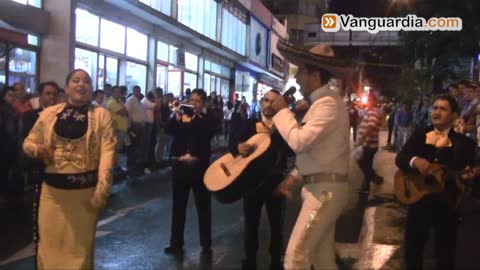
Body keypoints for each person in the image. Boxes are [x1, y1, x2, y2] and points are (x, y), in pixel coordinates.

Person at [23, 69, 117, 269]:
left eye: (86, 81)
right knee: (49, 249)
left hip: (84, 197)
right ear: (66, 88)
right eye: (75, 80)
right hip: (52, 195)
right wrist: (38, 150)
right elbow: (28, 142)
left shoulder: (101, 116)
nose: (81, 84)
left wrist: (103, 187)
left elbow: (108, 153)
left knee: (79, 253)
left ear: (91, 89)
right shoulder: (49, 114)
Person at [271, 40, 351, 270]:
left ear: (315, 74)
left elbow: (299, 141)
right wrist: (297, 175)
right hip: (322, 190)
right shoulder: (323, 103)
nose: (296, 79)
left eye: (301, 72)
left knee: (295, 258)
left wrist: (282, 112)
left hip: (324, 193)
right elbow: (319, 151)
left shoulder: (326, 104)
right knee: (322, 259)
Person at [395, 95, 476, 270]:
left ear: (454, 116)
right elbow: (401, 158)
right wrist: (415, 160)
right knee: (413, 250)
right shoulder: (420, 134)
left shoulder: (465, 144)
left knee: (445, 253)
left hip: (447, 204)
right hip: (418, 200)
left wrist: (468, 178)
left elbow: (470, 171)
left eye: (443, 109)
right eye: (435, 107)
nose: (436, 112)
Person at [230, 90, 293, 270]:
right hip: (251, 182)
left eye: (273, 101)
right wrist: (238, 147)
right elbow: (233, 142)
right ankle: (249, 261)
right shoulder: (250, 123)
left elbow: (291, 150)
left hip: (275, 182)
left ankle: (275, 261)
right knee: (251, 225)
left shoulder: (284, 126)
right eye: (266, 100)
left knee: (276, 225)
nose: (268, 104)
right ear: (261, 102)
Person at [164, 89, 216, 256]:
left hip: (199, 168)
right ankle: (176, 242)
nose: (193, 103)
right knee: (178, 206)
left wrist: (193, 116)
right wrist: (177, 116)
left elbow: (207, 131)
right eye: (191, 99)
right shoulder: (181, 116)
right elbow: (168, 129)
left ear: (203, 104)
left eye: (197, 101)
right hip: (180, 167)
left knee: (203, 206)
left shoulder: (207, 119)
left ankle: (206, 243)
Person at [356, 93, 384, 191]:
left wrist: (362, 139)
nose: (369, 101)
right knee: (364, 164)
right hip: (367, 144)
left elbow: (371, 127)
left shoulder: (374, 112)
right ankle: (375, 179)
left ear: (374, 101)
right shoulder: (369, 111)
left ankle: (366, 188)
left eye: (370, 100)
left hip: (369, 145)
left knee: (365, 164)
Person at [0, 86, 19, 207]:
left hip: (8, 146)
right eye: (10, 95)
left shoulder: (11, 110)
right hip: (4, 145)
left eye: (14, 96)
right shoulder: (4, 110)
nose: (13, 98)